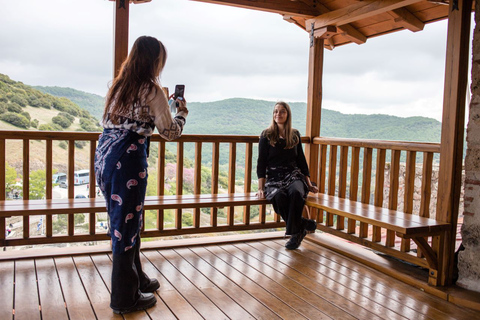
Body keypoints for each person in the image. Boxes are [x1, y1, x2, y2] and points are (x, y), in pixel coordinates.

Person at [94, 36, 188, 314]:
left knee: (125, 221)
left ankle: (138, 279)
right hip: (129, 160)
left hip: (105, 157)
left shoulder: (118, 86)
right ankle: (125, 298)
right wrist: (181, 113)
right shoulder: (152, 89)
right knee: (126, 227)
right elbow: (169, 132)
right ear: (154, 60)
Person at [256, 101, 318, 250]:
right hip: (274, 177)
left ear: (288, 114)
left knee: (296, 192)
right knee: (279, 197)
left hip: (293, 175)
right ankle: (301, 225)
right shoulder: (266, 135)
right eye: (275, 111)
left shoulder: (294, 135)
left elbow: (301, 160)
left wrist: (308, 184)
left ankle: (295, 233)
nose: (278, 114)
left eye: (282, 111)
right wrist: (260, 187)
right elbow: (261, 162)